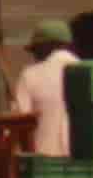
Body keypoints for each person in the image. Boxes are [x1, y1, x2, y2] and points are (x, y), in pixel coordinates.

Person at [13, 21, 78, 161]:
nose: (34, 56)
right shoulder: (87, 70)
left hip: (44, 159)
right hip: (83, 157)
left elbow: (20, 122)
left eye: (35, 50)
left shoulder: (29, 75)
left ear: (47, 46)